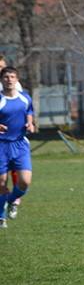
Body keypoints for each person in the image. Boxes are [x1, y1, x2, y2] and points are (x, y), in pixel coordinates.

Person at [0, 67, 35, 229]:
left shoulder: (25, 98)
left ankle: (10, 201)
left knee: (25, 182)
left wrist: (30, 122)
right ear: (1, 80)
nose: (9, 79)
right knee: (1, 183)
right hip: (1, 145)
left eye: (12, 77)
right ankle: (1, 217)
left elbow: (29, 111)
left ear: (17, 79)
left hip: (20, 144)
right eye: (6, 77)